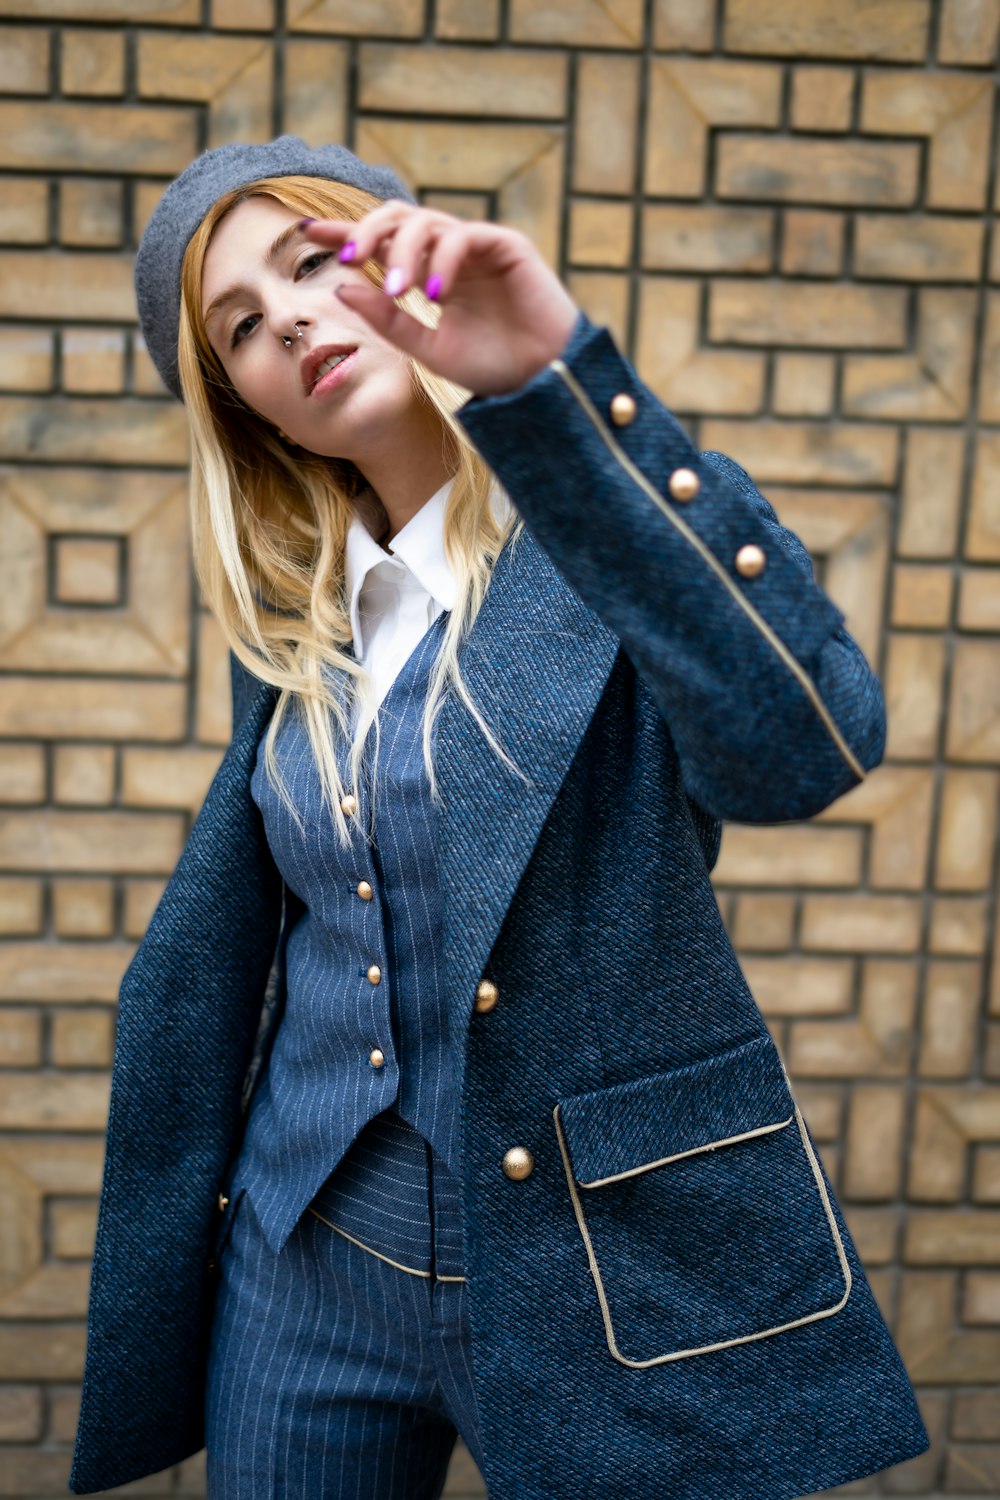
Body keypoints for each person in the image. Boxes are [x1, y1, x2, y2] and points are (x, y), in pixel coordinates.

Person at [70, 136, 929, 1500]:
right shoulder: (300, 635)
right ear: (249, 407)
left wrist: (555, 384)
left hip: (599, 1266)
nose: (286, 316)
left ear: (400, 260)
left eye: (310, 262)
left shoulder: (613, 544)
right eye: (238, 327)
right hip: (306, 1260)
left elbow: (801, 753)